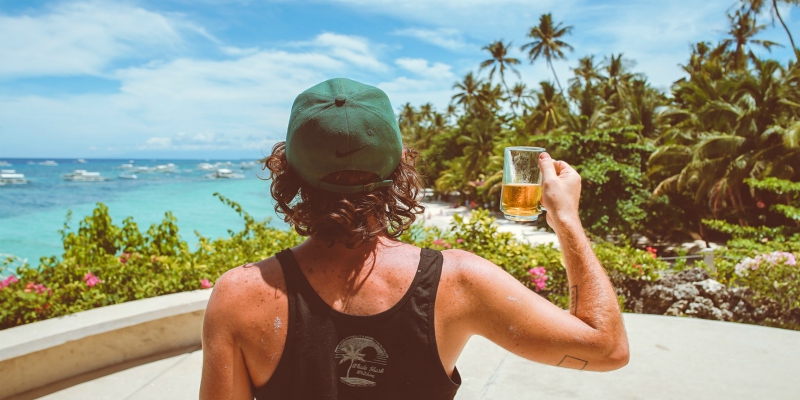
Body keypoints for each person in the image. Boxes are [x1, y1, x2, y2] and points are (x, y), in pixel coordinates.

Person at [200, 78, 629, 400]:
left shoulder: (239, 297)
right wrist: (566, 219)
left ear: (288, 173)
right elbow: (607, 349)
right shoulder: (458, 281)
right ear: (401, 166)